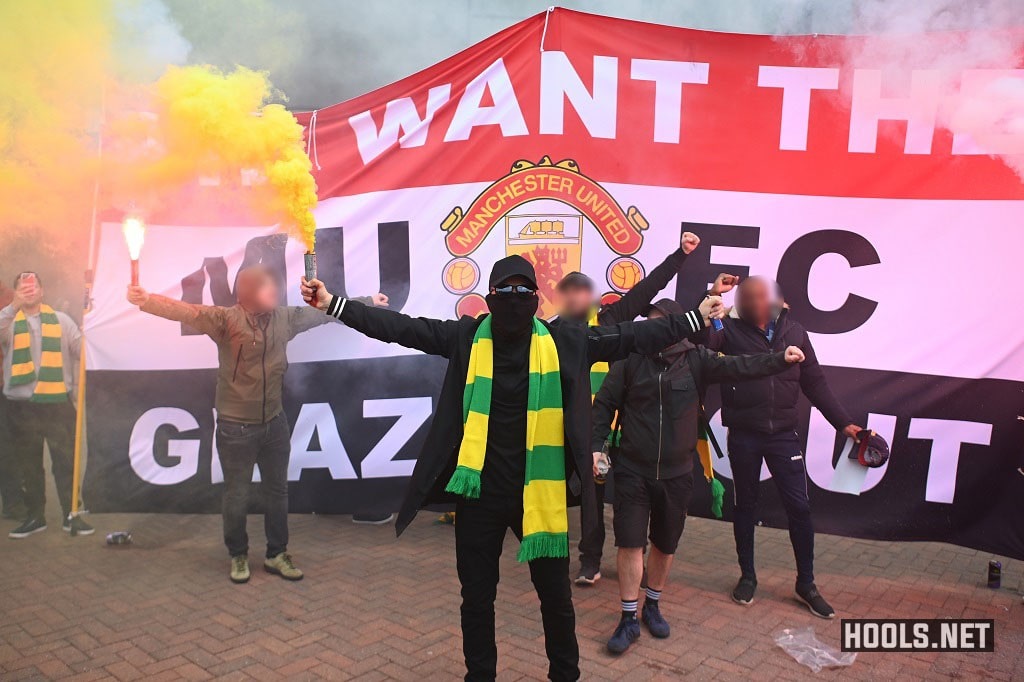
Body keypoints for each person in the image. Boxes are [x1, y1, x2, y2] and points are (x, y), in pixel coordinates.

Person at [301, 256, 722, 682]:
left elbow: (632, 334)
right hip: (479, 495)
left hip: (538, 496)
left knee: (556, 599)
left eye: (524, 292)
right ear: (490, 299)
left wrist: (693, 317)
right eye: (507, 291)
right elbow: (399, 328)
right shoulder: (465, 338)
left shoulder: (564, 342)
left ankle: (565, 674)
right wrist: (335, 304)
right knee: (477, 599)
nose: (516, 299)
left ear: (537, 301)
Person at [127, 265, 386, 584]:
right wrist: (146, 300)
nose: (274, 292)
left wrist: (368, 301)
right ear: (249, 292)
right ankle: (238, 554)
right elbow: (185, 311)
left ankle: (277, 554)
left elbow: (325, 312)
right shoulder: (225, 320)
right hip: (235, 428)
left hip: (275, 424)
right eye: (265, 287)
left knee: (277, 492)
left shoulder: (285, 318)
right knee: (236, 495)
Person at [591, 298, 805, 655]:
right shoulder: (629, 361)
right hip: (632, 471)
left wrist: (779, 359)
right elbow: (603, 406)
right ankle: (629, 617)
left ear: (678, 326)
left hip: (677, 474)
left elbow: (740, 366)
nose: (654, 330)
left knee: (665, 544)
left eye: (662, 323)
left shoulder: (696, 359)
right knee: (629, 543)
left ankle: (652, 606)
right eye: (651, 323)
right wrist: (598, 445)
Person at [695, 274, 864, 619]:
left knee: (799, 508)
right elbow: (706, 346)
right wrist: (712, 296)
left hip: (783, 434)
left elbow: (815, 381)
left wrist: (843, 423)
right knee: (745, 506)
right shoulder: (728, 328)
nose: (757, 302)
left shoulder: (795, 331)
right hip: (743, 433)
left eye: (762, 296)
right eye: (750, 296)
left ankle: (806, 583)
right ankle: (747, 577)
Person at [553, 231, 702, 586]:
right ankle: (590, 561)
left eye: (581, 293)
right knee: (590, 493)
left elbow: (646, 290)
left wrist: (679, 256)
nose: (576, 299)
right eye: (568, 293)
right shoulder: (551, 332)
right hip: (581, 429)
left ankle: (641, 563)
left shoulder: (609, 320)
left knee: (631, 499)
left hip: (627, 426)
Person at [0, 272, 92, 538]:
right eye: (22, 287)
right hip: (21, 405)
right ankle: (35, 516)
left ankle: (71, 514)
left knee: (65, 462)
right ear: (16, 292)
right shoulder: (9, 322)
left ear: (42, 291)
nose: (29, 290)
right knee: (28, 465)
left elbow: (82, 350)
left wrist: (92, 326)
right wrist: (13, 305)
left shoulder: (62, 321)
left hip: (57, 404)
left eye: (33, 286)